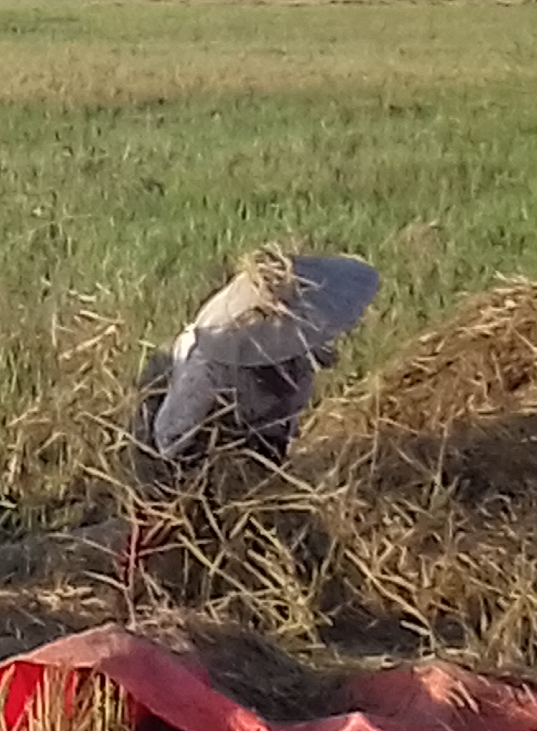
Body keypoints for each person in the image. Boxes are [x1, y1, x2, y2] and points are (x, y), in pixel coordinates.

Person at [124, 249, 381, 601]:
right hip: (195, 442)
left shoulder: (296, 353)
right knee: (168, 525)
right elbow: (168, 439)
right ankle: (147, 592)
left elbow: (286, 418)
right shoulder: (209, 367)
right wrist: (214, 469)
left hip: (251, 440)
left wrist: (269, 463)